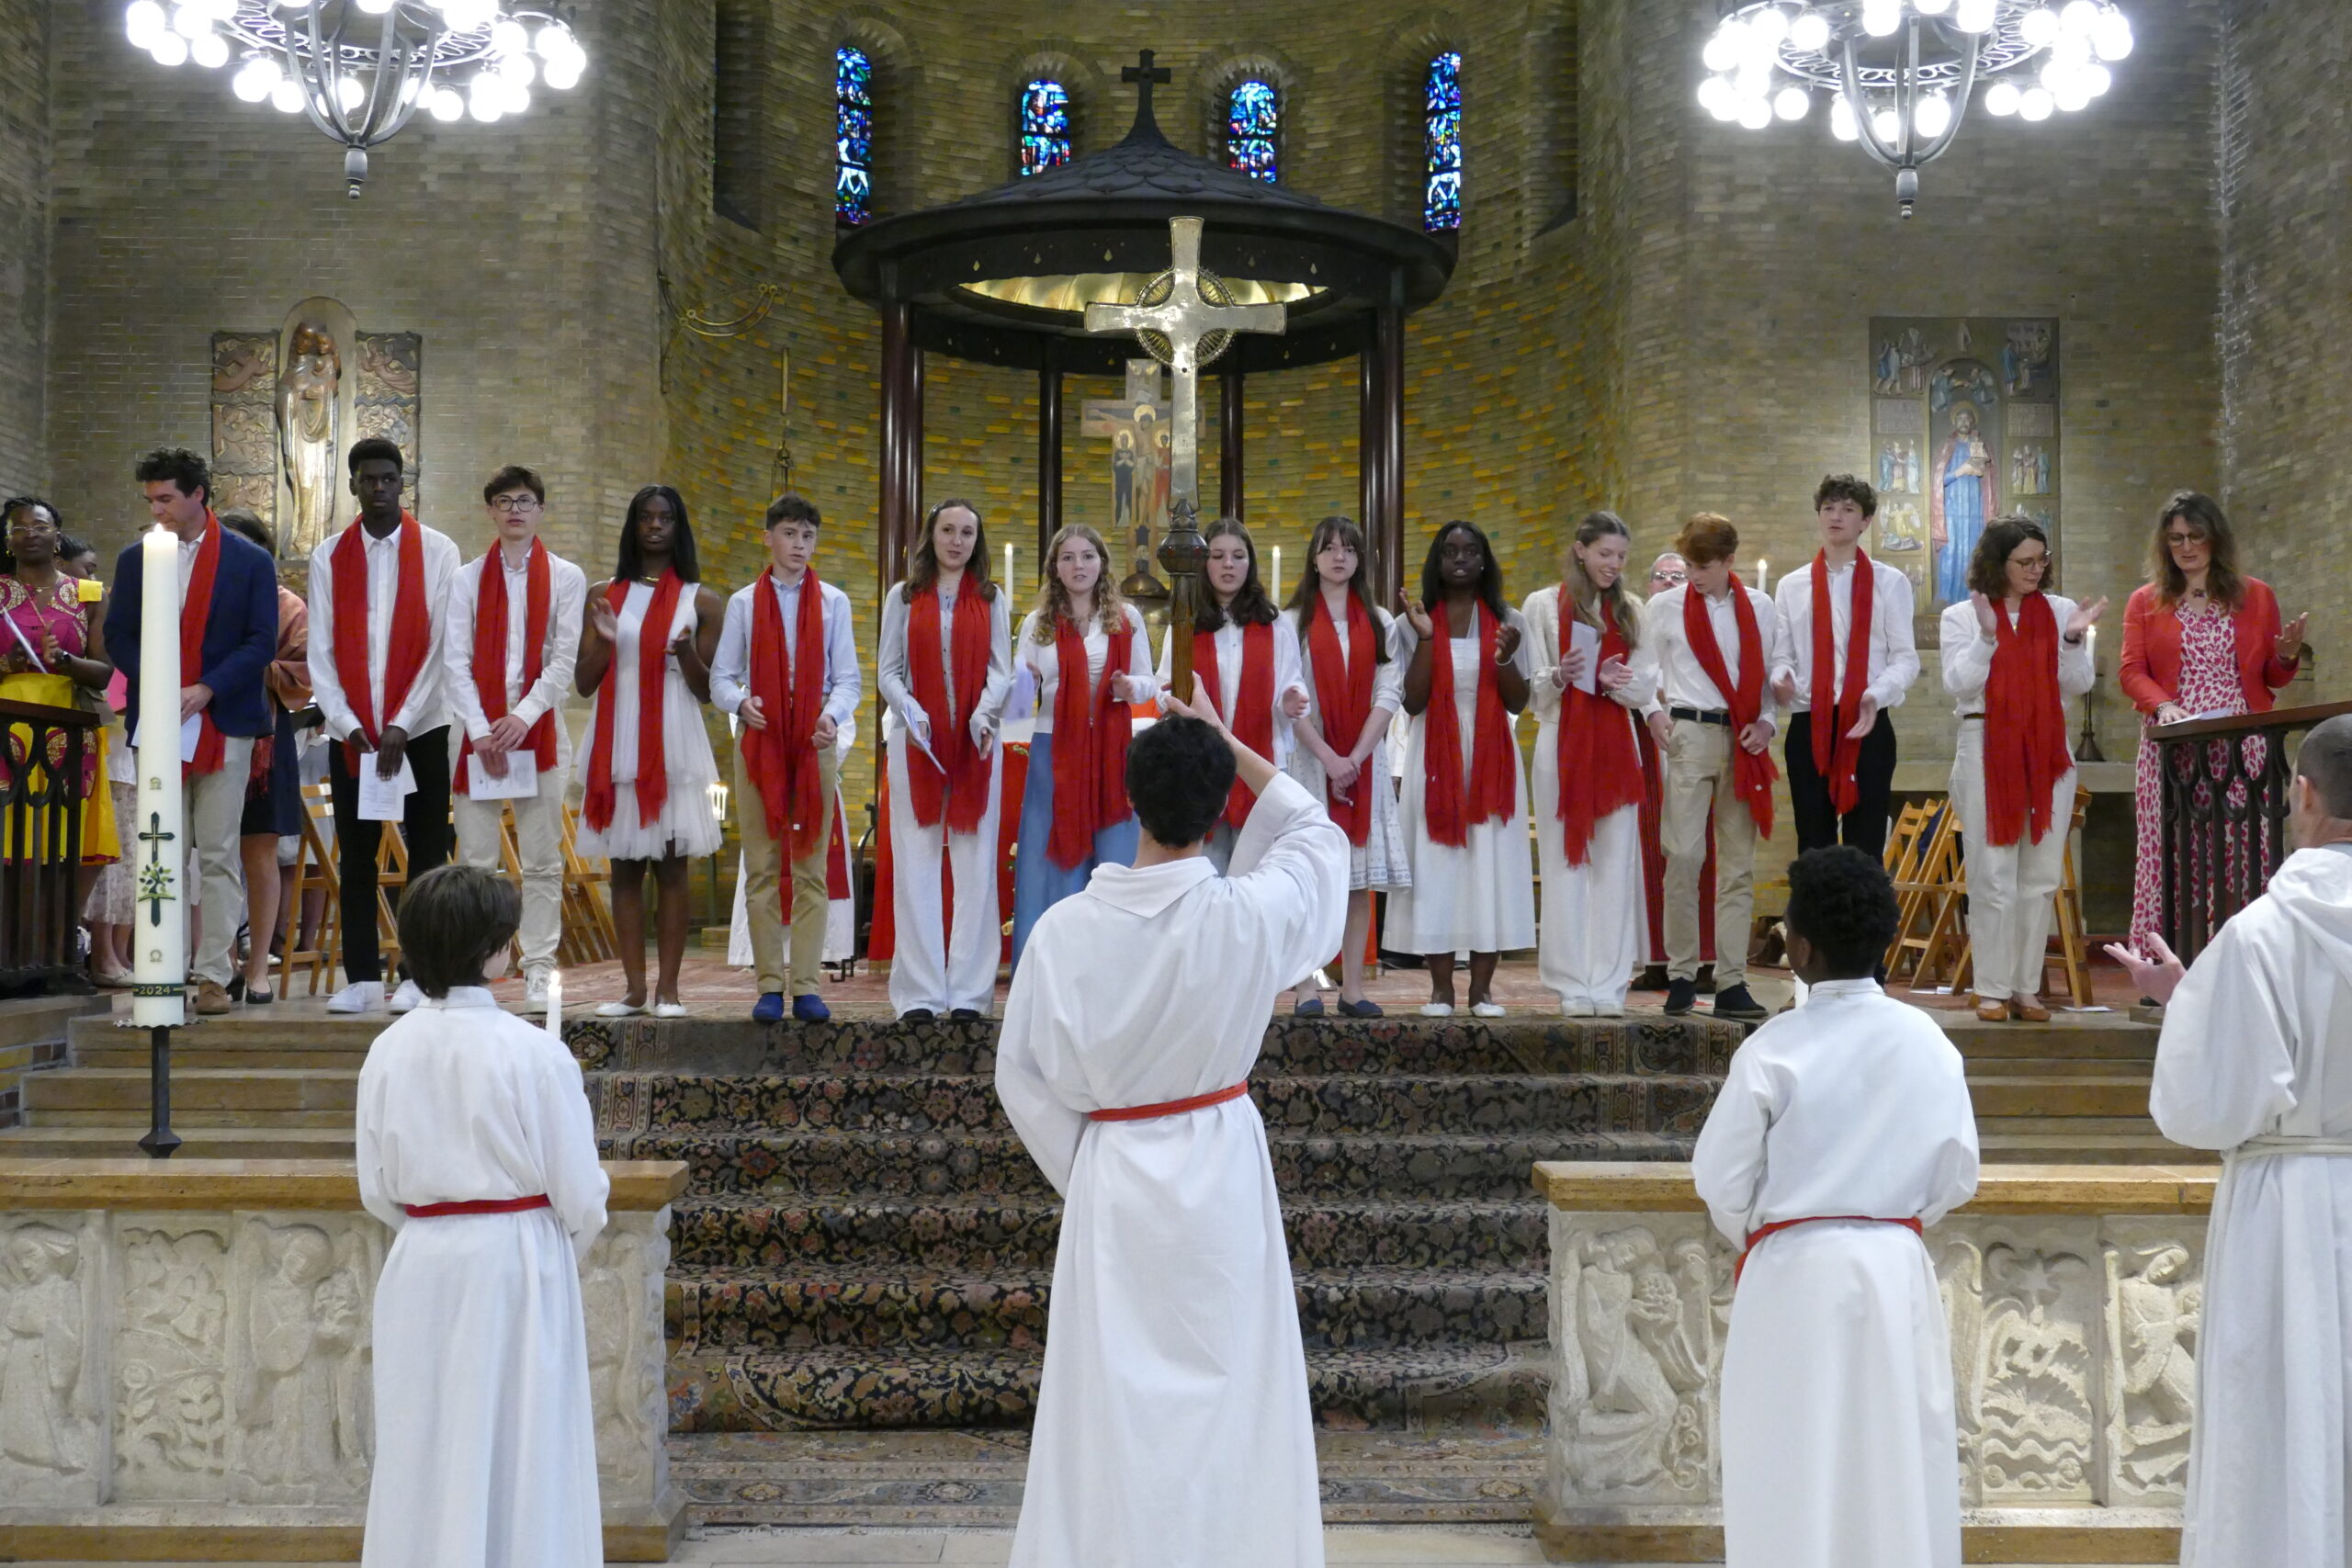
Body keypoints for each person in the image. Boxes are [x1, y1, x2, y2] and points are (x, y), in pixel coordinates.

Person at [995, 691, 1347, 1568]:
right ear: (1221, 813)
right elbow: (1315, 833)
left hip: (1114, 1174)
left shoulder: (1062, 933)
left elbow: (1022, 1077)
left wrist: (1090, 1163)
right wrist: (1232, 745)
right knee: (1231, 1392)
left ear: (1128, 798)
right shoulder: (1249, 914)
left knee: (1110, 1404)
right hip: (1220, 1167)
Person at [2109, 713, 2352, 1568]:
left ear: (2305, 793)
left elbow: (2202, 1109)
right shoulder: (2256, 934)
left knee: (2280, 1424)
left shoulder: (2259, 934)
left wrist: (2194, 1007)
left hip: (2288, 1209)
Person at [1693, 845, 1979, 1568]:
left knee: (1790, 1462)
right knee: (1894, 1462)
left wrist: (1774, 1228)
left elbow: (1721, 1178)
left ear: (1800, 948)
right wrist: (1888, 1219)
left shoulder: (1772, 1049)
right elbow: (1956, 1173)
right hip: (1894, 1272)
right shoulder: (1929, 1043)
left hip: (1793, 1275)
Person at [355, 863, 608, 1568]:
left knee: (427, 1446)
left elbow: (376, 1186)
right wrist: (551, 1248)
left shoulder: (387, 1050)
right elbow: (582, 1195)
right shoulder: (534, 1053)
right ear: (495, 950)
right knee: (526, 1449)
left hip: (423, 1260)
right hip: (518, 1264)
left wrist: (438, 1224)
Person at [105, 449, 280, 1015]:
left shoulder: (249, 561)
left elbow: (260, 640)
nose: (156, 511)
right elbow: (118, 635)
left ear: (198, 495)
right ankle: (163, 966)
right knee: (161, 847)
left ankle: (213, 975)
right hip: (159, 719)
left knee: (219, 851)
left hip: (223, 718)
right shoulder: (136, 559)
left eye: (166, 499)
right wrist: (157, 682)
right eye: (150, 500)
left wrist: (206, 687)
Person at [306, 436, 461, 1016]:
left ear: (402, 482)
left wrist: (401, 720)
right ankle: (363, 978)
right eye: (368, 479)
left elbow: (442, 645)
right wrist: (349, 724)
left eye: (388, 478)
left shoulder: (439, 550)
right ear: (353, 485)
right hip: (355, 737)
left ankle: (421, 974)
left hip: (421, 728)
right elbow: (320, 652)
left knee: (427, 854)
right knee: (357, 857)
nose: (379, 487)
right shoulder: (328, 557)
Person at [2119, 490, 2304, 943]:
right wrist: (2163, 705)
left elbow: (2271, 678)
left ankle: (2243, 951)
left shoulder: (2256, 596)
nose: (2186, 547)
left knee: (2243, 852)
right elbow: (2131, 670)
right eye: (2176, 538)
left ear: (2215, 538)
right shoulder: (2145, 600)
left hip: (2240, 742)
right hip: (2174, 744)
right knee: (2177, 853)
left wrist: (2286, 657)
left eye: (2195, 536)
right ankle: (2173, 955)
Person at [1939, 515, 2100, 1023]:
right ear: (1998, 562)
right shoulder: (1963, 615)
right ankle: (1991, 989)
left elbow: (2079, 684)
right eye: (2024, 561)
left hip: (2047, 747)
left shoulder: (2059, 611)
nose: (2036, 569)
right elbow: (1959, 685)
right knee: (1992, 874)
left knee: (2041, 876)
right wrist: (1987, 638)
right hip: (1984, 742)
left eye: (2041, 559)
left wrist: (2071, 641)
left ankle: (2026, 989)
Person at [577, 485, 726, 1019]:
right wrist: (606, 640)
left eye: (665, 518)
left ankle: (669, 991)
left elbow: (706, 691)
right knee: (624, 868)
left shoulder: (702, 601)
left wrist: (684, 652)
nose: (655, 526)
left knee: (671, 866)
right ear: (633, 525)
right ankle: (634, 990)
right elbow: (584, 683)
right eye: (646, 517)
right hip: (618, 734)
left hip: (672, 737)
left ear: (678, 527)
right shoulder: (604, 594)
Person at [442, 466, 586, 1015]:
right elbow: (454, 660)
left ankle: (539, 965)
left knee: (542, 859)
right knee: (476, 863)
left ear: (540, 509)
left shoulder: (567, 576)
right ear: (491, 511)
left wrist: (522, 717)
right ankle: (474, 968)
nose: (515, 511)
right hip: (476, 733)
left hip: (539, 729)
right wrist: (481, 730)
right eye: (504, 502)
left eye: (525, 501)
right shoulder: (467, 578)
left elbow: (563, 659)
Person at [710, 491, 856, 1024]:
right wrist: (739, 703)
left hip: (814, 739)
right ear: (768, 538)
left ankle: (808, 986)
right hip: (762, 739)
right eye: (790, 534)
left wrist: (831, 716)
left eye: (808, 536)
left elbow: (849, 680)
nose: (799, 544)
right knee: (762, 866)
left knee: (811, 867)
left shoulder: (834, 602)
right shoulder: (744, 603)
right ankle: (770, 985)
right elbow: (721, 677)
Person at [1383, 521, 1534, 1019]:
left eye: (1470, 550)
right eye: (1450, 551)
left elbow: (1519, 702)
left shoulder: (1509, 619)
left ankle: (1482, 991)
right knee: (1439, 867)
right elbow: (1413, 702)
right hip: (1434, 756)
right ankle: (1441, 991)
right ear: (1438, 561)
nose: (1461, 559)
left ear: (1485, 559)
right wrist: (1427, 639)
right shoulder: (1414, 621)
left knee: (1490, 866)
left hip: (1492, 758)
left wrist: (1506, 659)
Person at [1632, 513, 1779, 1022]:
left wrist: (1767, 723)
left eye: (1704, 567)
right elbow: (1643, 670)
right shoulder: (1665, 607)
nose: (1693, 576)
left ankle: (1732, 980)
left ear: (1729, 561)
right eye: (1689, 566)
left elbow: (1767, 680)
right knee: (1683, 855)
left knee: (1737, 865)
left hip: (1742, 737)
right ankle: (1680, 975)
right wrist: (1652, 712)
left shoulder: (1759, 606)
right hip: (1689, 730)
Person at [876, 497, 1012, 1021]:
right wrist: (909, 707)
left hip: (977, 742)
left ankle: (970, 994)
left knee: (976, 867)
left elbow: (1001, 670)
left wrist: (984, 714)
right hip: (917, 743)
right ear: (931, 536)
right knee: (916, 863)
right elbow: (888, 671)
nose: (957, 541)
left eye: (967, 533)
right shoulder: (904, 597)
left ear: (977, 541)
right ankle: (919, 992)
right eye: (948, 530)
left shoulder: (992, 598)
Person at [1009, 524, 1158, 967]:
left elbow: (1149, 682)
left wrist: (1130, 687)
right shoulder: (1037, 623)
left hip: (1113, 752)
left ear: (1101, 564)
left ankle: (1116, 968)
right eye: (1068, 557)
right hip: (1054, 750)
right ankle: (1052, 968)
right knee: (1053, 857)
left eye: (1087, 556)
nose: (1079, 565)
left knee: (1116, 855)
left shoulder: (1126, 618)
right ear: (1055, 567)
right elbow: (1017, 704)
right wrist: (1025, 681)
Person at [1524, 513, 1654, 1017]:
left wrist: (1615, 681)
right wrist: (1562, 674)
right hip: (1562, 742)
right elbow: (1534, 691)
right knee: (1566, 864)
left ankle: (1610, 982)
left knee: (1616, 867)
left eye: (1621, 556)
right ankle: (1571, 983)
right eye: (1605, 553)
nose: (1613, 564)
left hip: (1616, 743)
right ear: (1581, 550)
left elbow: (1646, 686)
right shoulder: (1542, 605)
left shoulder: (1633, 609)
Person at [1283, 514, 1408, 1018]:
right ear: (1313, 558)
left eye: (1350, 549)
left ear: (1360, 560)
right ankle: (1306, 989)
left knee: (1358, 879)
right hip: (1310, 764)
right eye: (1330, 548)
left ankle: (1353, 987)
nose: (1340, 557)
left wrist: (1354, 757)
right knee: (1308, 877)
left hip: (1364, 762)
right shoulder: (1290, 622)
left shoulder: (1379, 620)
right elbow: (1288, 697)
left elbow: (1389, 691)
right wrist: (1330, 757)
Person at [1770, 474, 1920, 862]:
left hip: (1867, 721)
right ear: (1819, 515)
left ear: (1865, 521)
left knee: (1864, 844)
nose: (1836, 516)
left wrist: (1875, 694)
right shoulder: (1791, 585)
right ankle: (1814, 906)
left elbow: (1906, 658)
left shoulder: (1890, 582)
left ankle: (1862, 906)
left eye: (1848, 509)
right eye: (1828, 508)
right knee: (1812, 842)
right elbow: (1783, 656)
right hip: (1810, 722)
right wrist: (1780, 677)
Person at [1157, 517, 1308, 873]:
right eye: (1218, 556)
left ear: (1250, 563)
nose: (1228, 564)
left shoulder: (1276, 623)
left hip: (1259, 760)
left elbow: (1292, 680)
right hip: (1200, 764)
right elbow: (1165, 684)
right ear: (1203, 563)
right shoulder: (1185, 621)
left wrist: (1290, 700)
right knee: (1207, 871)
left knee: (1257, 874)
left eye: (1238, 556)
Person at [1, 499, 119, 903]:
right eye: (19, 529)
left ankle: (58, 932)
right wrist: (7, 663)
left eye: (39, 526)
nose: (29, 534)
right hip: (7, 726)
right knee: (9, 835)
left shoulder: (89, 593)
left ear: (57, 537)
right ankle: (11, 935)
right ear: (8, 540)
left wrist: (66, 660)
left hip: (66, 725)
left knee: (61, 837)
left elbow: (104, 671)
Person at [214, 511, 307, 1007]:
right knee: (215, 851)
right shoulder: (204, 598)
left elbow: (304, 670)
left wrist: (248, 662)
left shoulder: (285, 604)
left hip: (267, 733)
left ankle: (258, 969)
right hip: (212, 728)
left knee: (259, 852)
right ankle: (221, 962)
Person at [1632, 550, 1715, 992]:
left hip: (1697, 737)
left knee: (1696, 849)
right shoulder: (1639, 623)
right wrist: (1651, 704)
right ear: (1649, 585)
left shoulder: (1706, 622)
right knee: (1651, 848)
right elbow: (1634, 674)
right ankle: (1656, 958)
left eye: (1678, 576)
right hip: (1650, 737)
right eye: (1661, 576)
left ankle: (1703, 960)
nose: (1668, 582)